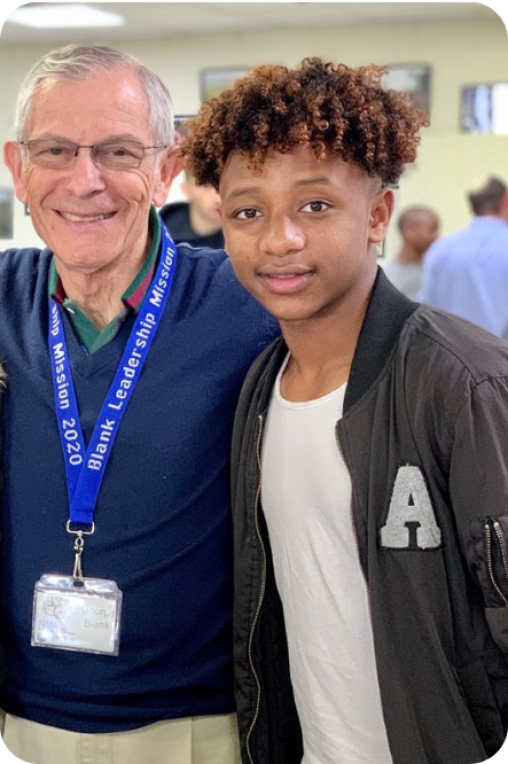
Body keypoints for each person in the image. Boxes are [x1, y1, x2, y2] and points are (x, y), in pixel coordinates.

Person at [183, 58, 508, 764]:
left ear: (377, 216)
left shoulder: (464, 383)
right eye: (248, 212)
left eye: (315, 206)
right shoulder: (259, 390)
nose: (280, 240)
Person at [0, 44, 279, 764]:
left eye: (118, 151)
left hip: (195, 727)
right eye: (56, 150)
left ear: (166, 170)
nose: (84, 180)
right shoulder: (4, 298)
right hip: (19, 719)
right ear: (18, 169)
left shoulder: (248, 302)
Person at [418, 176, 508, 338]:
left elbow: (426, 311)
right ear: (505, 201)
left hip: (449, 351)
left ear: (471, 208)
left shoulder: (440, 249)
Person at [383, 205, 440, 299]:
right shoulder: (387, 277)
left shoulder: (436, 271)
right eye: (432, 230)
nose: (436, 236)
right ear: (410, 231)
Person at [159, 169, 225, 249]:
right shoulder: (159, 232)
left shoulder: (237, 240)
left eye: (225, 186)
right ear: (186, 189)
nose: (218, 198)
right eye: (206, 186)